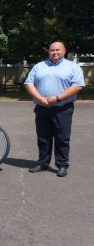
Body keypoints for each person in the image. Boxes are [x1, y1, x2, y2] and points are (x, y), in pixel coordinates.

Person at [24, 41, 85, 177]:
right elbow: (29, 83)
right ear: (48, 52)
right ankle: (43, 163)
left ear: (64, 51)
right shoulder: (39, 66)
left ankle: (62, 165)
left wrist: (58, 98)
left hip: (62, 108)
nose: (55, 52)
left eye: (58, 50)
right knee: (43, 137)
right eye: (52, 50)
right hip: (42, 107)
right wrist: (39, 98)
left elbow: (77, 86)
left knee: (62, 138)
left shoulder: (72, 67)